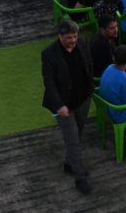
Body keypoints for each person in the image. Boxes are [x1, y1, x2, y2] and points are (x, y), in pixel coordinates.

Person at [41, 20, 94, 194]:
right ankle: (80, 178)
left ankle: (69, 163)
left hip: (83, 100)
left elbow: (89, 65)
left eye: (75, 36)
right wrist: (59, 105)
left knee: (77, 135)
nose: (73, 40)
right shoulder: (49, 54)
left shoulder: (82, 43)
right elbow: (49, 83)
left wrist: (90, 90)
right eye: (69, 38)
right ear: (60, 36)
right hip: (64, 106)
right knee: (73, 141)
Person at [90, 15, 126, 82]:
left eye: (116, 26)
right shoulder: (101, 45)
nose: (116, 30)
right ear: (102, 30)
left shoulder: (107, 36)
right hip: (107, 77)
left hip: (116, 69)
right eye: (112, 28)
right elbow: (114, 71)